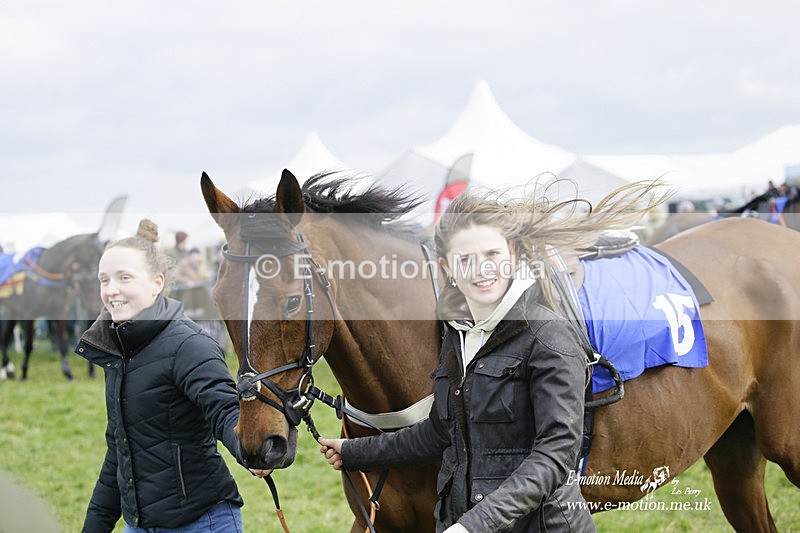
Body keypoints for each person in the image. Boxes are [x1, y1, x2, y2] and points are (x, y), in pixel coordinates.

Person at [318, 181, 667, 532]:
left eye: (492, 255)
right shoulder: (458, 333)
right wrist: (354, 453)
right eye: (464, 259)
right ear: (446, 267)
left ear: (512, 253)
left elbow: (556, 455)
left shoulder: (548, 335)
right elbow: (442, 431)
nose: (480, 269)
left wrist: (475, 525)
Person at [75, 219, 267, 532]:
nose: (111, 290)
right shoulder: (118, 350)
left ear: (157, 283)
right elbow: (119, 453)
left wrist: (251, 451)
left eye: (124, 278)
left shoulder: (189, 345)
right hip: (139, 524)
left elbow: (224, 410)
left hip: (201, 521)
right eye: (104, 279)